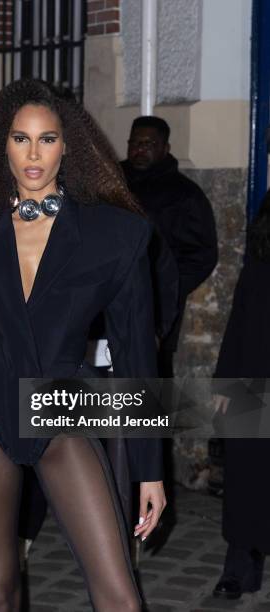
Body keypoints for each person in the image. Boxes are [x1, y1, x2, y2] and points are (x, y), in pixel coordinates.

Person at [0, 79, 166, 611]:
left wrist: (150, 468)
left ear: (67, 146)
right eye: (21, 139)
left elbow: (135, 355)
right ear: (2, 146)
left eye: (47, 139)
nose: (34, 155)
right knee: (0, 591)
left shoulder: (115, 235)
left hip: (59, 406)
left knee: (121, 597)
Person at [121, 116, 218, 377]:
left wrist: (167, 285)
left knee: (153, 373)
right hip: (107, 296)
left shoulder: (184, 195)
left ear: (165, 148)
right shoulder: (111, 183)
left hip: (157, 303)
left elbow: (202, 254)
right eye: (135, 143)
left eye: (149, 143)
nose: (140, 149)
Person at [212, 192, 270, 600]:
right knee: (246, 476)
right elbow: (241, 313)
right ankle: (240, 567)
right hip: (254, 370)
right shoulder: (266, 225)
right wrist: (225, 381)